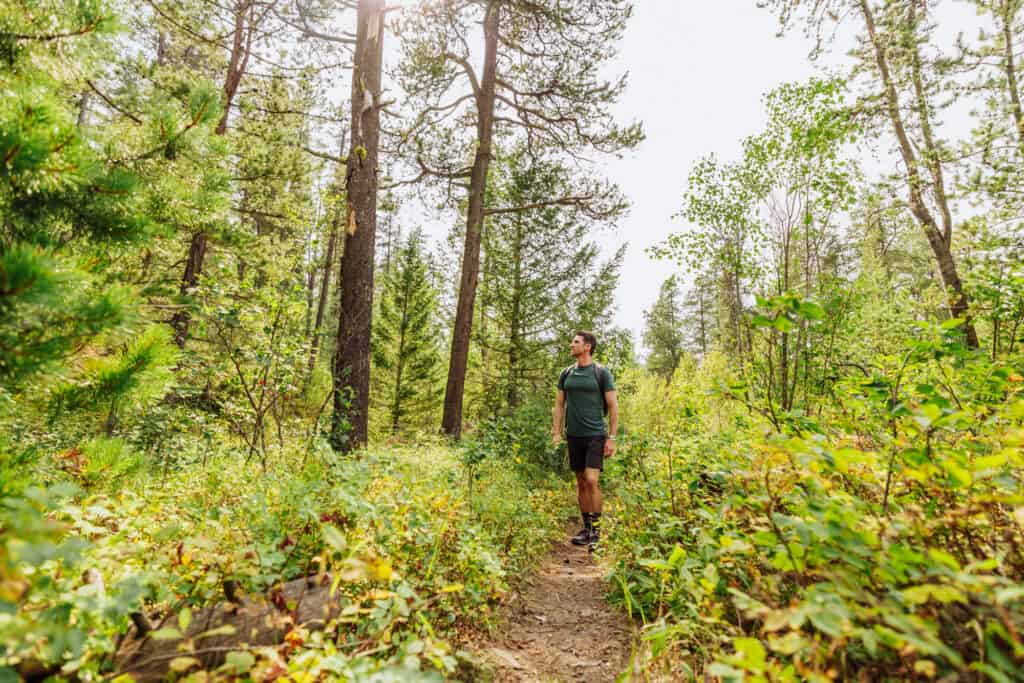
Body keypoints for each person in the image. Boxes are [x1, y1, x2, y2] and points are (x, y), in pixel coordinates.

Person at [551, 330, 618, 548]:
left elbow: (613, 405)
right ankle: (587, 529)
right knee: (580, 482)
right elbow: (559, 404)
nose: (571, 345)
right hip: (574, 435)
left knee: (591, 479)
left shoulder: (601, 373)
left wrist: (612, 437)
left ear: (587, 346)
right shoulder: (566, 373)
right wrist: (556, 431)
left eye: (576, 342)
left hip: (595, 434)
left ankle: (597, 531)